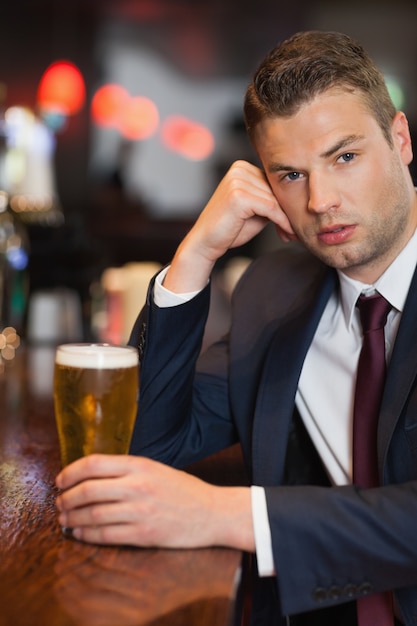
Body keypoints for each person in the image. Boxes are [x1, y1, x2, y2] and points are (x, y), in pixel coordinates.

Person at [55, 31, 417, 625]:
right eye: (290, 175)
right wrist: (195, 255)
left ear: (399, 139)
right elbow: (148, 445)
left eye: (344, 156)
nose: (321, 200)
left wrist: (226, 515)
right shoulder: (272, 292)